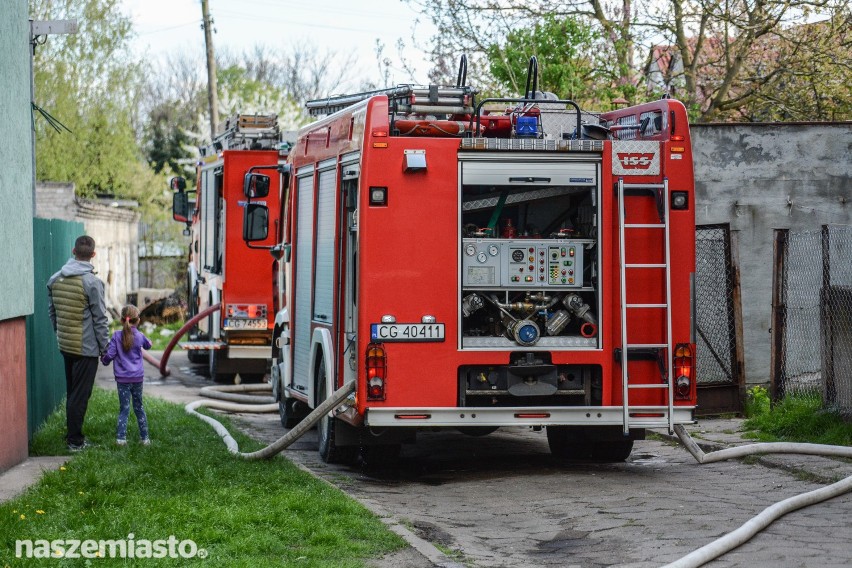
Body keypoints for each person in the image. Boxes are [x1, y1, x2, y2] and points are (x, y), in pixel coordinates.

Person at [47, 235, 109, 451]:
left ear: (74, 251)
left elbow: (52, 311)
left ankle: (72, 436)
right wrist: (105, 348)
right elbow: (100, 319)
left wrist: (60, 332)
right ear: (93, 255)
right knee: (80, 395)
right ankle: (75, 441)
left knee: (73, 392)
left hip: (66, 345)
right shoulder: (92, 283)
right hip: (85, 348)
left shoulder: (55, 279)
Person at [101, 305, 152, 446]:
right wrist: (148, 341)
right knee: (139, 407)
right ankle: (145, 439)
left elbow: (109, 355)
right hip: (137, 379)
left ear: (122, 320)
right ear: (138, 320)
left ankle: (121, 439)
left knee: (124, 408)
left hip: (122, 380)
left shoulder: (117, 336)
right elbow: (148, 345)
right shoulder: (140, 336)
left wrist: (103, 360)